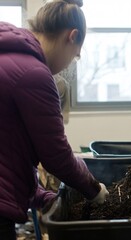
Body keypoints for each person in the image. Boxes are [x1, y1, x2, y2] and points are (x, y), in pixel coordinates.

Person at [0, 0, 109, 238]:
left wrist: (40, 195)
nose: (69, 64)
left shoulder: (10, 57)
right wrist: (94, 189)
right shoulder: (33, 73)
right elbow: (56, 155)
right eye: (75, 56)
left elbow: (9, 151)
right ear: (72, 36)